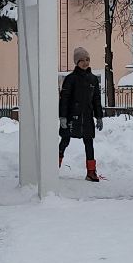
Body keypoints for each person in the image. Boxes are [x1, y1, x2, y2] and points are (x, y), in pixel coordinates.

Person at [58, 47, 104, 181]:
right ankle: (53, 167)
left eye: (87, 59)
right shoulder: (70, 79)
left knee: (89, 143)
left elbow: (96, 99)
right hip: (72, 117)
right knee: (65, 141)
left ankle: (91, 172)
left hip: (87, 117)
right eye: (82, 60)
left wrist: (99, 116)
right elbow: (64, 99)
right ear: (76, 62)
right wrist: (63, 116)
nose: (85, 62)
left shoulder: (93, 79)